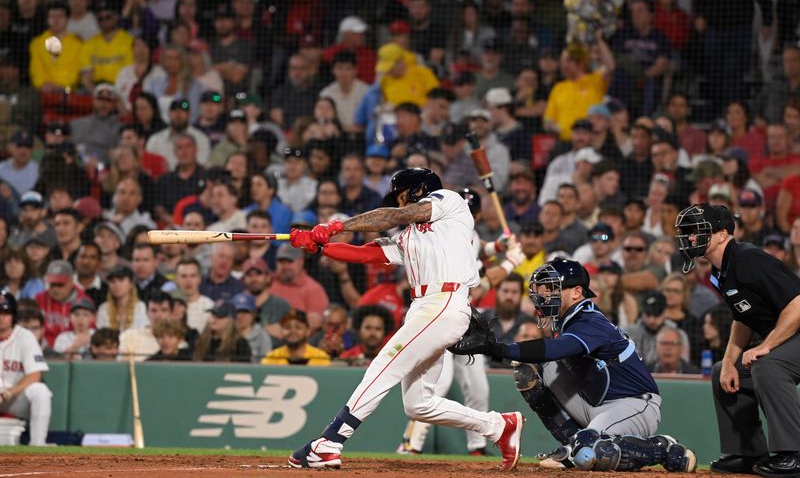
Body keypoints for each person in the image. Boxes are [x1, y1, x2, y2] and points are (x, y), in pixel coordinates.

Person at [286, 167, 524, 471]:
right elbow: (367, 254)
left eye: (401, 196)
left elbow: (397, 216)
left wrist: (335, 226)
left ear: (417, 190)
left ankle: (330, 441)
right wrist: (320, 246)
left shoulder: (448, 201)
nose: (399, 204)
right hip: (425, 306)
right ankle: (498, 426)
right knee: (419, 404)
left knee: (384, 365)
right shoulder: (411, 237)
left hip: (444, 301)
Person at [449, 258, 697, 472]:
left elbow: (558, 348)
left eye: (553, 288)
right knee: (533, 371)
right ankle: (575, 446)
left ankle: (663, 449)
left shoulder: (590, 319)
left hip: (633, 404)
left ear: (577, 292)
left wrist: (498, 348)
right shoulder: (566, 320)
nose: (545, 294)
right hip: (597, 402)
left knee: (589, 449)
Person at [675, 203, 800, 475]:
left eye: (697, 231)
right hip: (788, 337)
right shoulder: (719, 272)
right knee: (724, 371)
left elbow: (797, 305)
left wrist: (767, 346)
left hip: (795, 331)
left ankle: (795, 454)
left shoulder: (749, 259)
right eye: (689, 232)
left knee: (768, 365)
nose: (691, 238)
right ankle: (747, 452)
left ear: (722, 234)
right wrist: (730, 361)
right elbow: (743, 317)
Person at [0, 292, 52, 446]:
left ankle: (37, 445)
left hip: (14, 398)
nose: (2, 317)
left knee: (40, 391)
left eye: (6, 313)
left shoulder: (25, 336)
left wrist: (9, 393)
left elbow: (35, 375)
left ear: (13, 315)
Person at [261, 308, 331, 366]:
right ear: (281, 331)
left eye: (298, 327)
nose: (293, 331)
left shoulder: (321, 358)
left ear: (307, 331)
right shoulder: (271, 358)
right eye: (287, 327)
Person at [97, 264, 147, 332]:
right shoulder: (103, 309)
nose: (117, 285)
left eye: (121, 280)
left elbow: (140, 333)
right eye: (112, 281)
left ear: (131, 283)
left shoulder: (140, 307)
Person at [231, 292, 271, 362]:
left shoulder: (261, 335)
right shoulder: (226, 334)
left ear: (253, 314)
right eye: (238, 312)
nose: (241, 316)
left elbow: (266, 363)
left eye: (246, 312)